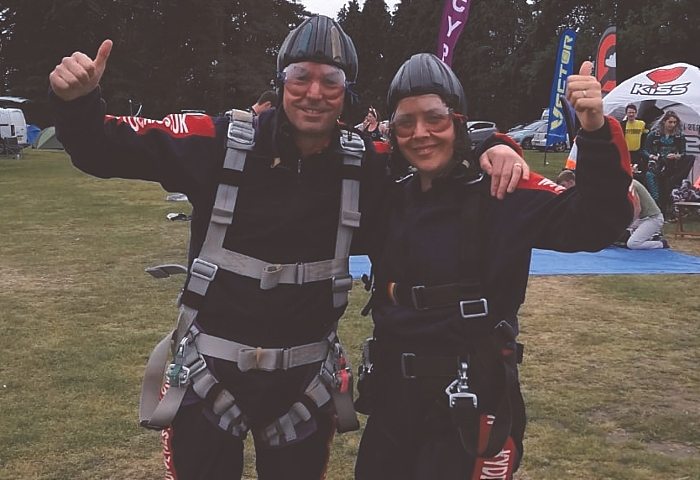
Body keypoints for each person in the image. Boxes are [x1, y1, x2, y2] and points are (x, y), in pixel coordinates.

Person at [48, 15, 528, 480]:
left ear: (348, 94)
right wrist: (78, 103)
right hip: (209, 374)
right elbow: (105, 147)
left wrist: (494, 143)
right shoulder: (219, 143)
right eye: (301, 76)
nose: (314, 93)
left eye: (331, 81)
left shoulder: (366, 165)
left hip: (303, 389)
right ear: (280, 81)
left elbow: (432, 145)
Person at [353, 54, 632, 480]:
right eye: (406, 123)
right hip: (391, 400)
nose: (421, 133)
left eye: (435, 118)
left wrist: (594, 131)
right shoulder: (388, 194)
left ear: (458, 121)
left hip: (469, 400)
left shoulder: (502, 191)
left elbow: (594, 224)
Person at [643, 110, 688, 215]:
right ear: (664, 122)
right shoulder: (654, 134)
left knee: (667, 185)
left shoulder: (678, 136)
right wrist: (652, 156)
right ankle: (655, 205)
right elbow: (644, 150)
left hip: (670, 166)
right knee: (651, 177)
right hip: (656, 164)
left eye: (674, 122)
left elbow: (684, 153)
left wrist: (677, 156)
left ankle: (665, 208)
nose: (672, 125)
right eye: (670, 122)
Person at [626, 179, 668, 249]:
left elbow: (637, 209)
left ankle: (661, 243)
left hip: (652, 218)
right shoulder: (628, 184)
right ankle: (653, 235)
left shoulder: (631, 186)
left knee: (633, 244)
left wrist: (630, 223)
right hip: (643, 218)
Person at [621, 103, 648, 173]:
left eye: (633, 112)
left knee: (637, 171)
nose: (631, 114)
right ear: (626, 114)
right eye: (629, 113)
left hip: (637, 152)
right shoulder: (622, 124)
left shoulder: (641, 123)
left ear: (636, 113)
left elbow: (646, 133)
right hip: (626, 153)